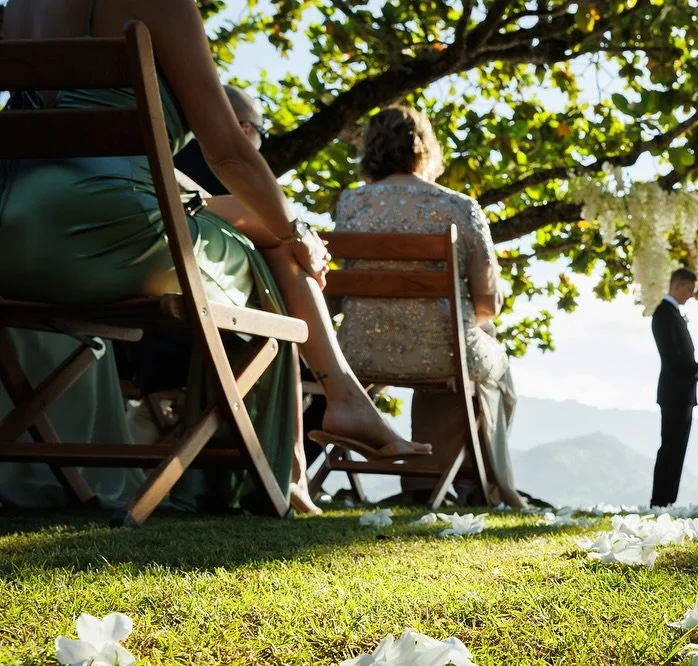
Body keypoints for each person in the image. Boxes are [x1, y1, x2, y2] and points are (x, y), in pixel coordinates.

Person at [0, 0, 427, 513]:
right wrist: (295, 232)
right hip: (108, 235)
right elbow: (227, 151)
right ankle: (328, 417)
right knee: (275, 249)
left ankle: (338, 410)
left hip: (10, 236)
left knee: (263, 231)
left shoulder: (21, 7)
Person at [333, 106, 524, 508]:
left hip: (358, 351)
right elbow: (488, 301)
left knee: (455, 353)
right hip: (444, 353)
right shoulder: (460, 207)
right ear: (424, 147)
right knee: (486, 360)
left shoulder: (350, 205)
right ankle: (473, 480)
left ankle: (422, 484)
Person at [650, 268, 698, 508]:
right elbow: (672, 357)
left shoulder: (673, 313)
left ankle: (667, 500)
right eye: (690, 290)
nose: (691, 295)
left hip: (683, 392)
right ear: (677, 285)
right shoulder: (664, 314)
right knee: (671, 446)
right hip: (674, 392)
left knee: (677, 447)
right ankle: (661, 500)